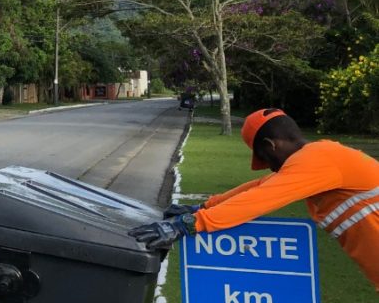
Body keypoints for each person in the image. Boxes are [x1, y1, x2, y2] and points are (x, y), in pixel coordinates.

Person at [130, 108, 379, 290]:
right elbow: (261, 186)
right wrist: (203, 207)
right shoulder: (319, 158)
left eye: (265, 158)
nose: (270, 168)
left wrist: (187, 223)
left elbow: (262, 197)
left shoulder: (319, 158)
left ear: (271, 145)